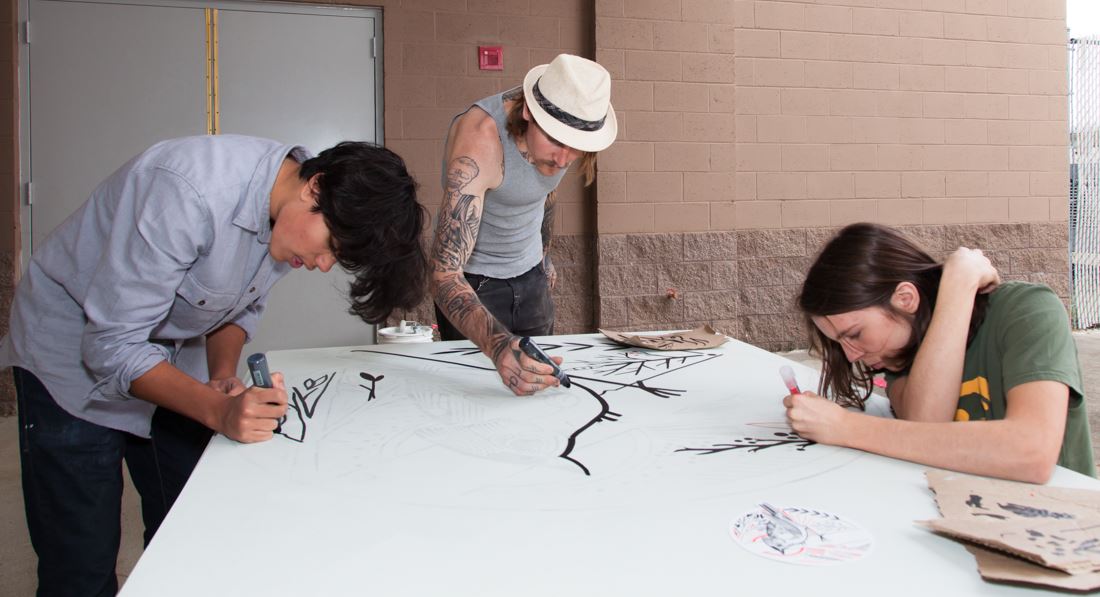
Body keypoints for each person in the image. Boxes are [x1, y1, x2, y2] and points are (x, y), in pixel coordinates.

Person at [1, 134, 428, 597]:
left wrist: (221, 378)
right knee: (81, 558)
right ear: (315, 188)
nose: (324, 266)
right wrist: (216, 410)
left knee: (191, 521)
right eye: (332, 248)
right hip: (70, 354)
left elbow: (237, 306)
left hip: (165, 352)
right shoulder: (186, 192)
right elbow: (111, 345)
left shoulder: (286, 211)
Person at [784, 222, 1095, 483]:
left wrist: (844, 427)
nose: (851, 356)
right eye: (839, 343)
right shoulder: (901, 356)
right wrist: (957, 285)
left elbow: (1031, 452)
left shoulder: (1028, 310)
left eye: (854, 334)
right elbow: (926, 426)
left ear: (906, 299)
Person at [430, 53, 617, 396]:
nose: (563, 159)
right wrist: (498, 346)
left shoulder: (565, 126)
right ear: (529, 112)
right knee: (476, 400)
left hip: (532, 278)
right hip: (476, 288)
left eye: (575, 148)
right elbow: (444, 274)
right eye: (557, 142)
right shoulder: (479, 142)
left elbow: (544, 194)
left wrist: (544, 256)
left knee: (538, 392)